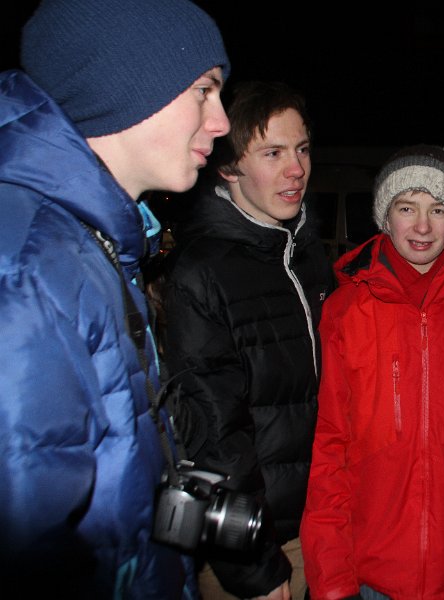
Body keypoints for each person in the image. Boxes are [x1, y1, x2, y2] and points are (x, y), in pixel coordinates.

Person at [0, 0, 230, 598]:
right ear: (123, 83)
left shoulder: (90, 245)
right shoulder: (29, 265)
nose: (221, 121)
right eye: (204, 90)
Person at [300, 145, 444, 599]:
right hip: (369, 573)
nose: (423, 226)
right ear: (385, 216)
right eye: (407, 207)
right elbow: (329, 447)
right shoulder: (345, 312)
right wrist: (331, 576)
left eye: (438, 210)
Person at [161, 80, 333, 600]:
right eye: (273, 153)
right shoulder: (202, 272)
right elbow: (214, 438)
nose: (296, 168)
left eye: (302, 149)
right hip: (259, 543)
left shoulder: (307, 256)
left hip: (320, 523)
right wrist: (251, 563)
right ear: (229, 168)